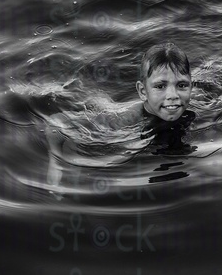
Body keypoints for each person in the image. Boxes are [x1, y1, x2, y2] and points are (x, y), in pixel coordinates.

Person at [46, 42, 197, 193]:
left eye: (182, 85)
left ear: (191, 86)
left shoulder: (197, 103)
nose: (173, 95)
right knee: (99, 103)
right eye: (160, 86)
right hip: (102, 108)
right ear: (143, 91)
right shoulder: (125, 120)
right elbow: (56, 122)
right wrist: (56, 163)